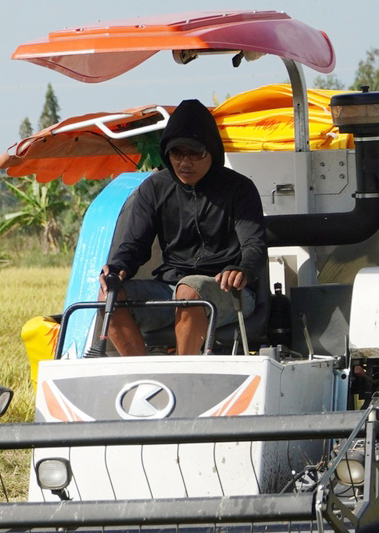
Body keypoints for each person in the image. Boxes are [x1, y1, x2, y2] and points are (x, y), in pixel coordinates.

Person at [98, 99, 267, 357]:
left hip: (229, 292)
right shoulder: (153, 189)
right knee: (108, 294)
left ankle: (181, 372)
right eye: (177, 153)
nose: (185, 162)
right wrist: (118, 267)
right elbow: (133, 246)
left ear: (212, 151)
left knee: (189, 290)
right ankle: (144, 374)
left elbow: (254, 246)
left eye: (194, 153)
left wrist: (241, 270)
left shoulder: (240, 189)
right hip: (169, 289)